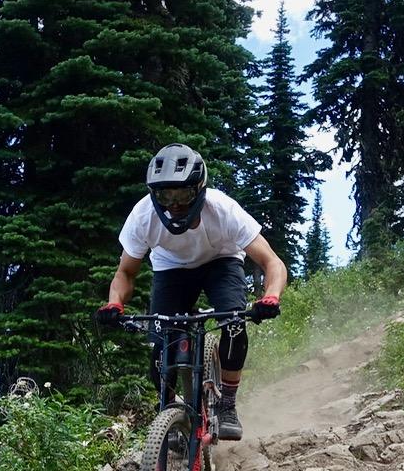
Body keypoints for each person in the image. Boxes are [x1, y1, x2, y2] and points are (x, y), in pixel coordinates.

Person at [95, 143, 286, 441]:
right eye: (164, 195)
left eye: (182, 194)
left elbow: (271, 262)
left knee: (234, 325)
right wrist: (114, 304)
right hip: (171, 269)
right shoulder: (143, 215)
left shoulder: (222, 209)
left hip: (220, 261)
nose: (174, 205)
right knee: (162, 344)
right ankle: (170, 415)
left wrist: (271, 296)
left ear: (199, 190)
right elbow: (125, 272)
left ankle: (226, 406)